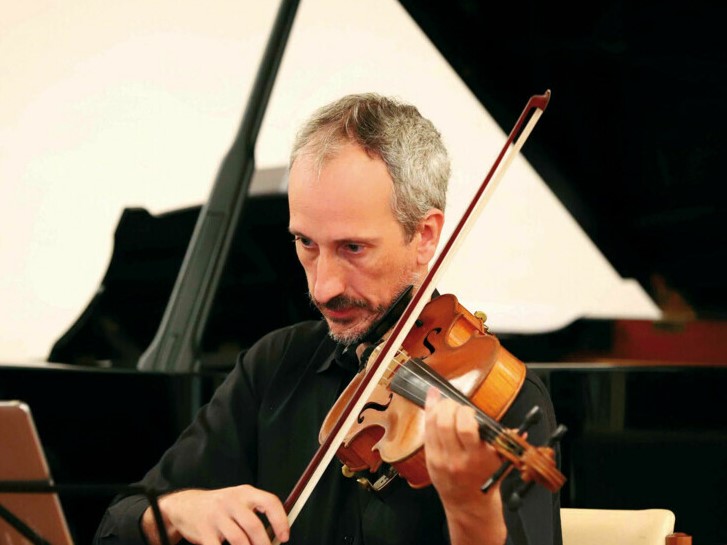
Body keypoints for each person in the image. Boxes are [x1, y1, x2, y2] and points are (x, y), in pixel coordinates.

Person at [93, 93, 562, 545]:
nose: (323, 287)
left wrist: (469, 511)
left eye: (353, 247)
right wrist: (178, 511)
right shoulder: (274, 365)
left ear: (424, 236)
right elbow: (117, 523)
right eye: (306, 243)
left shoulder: (502, 398)